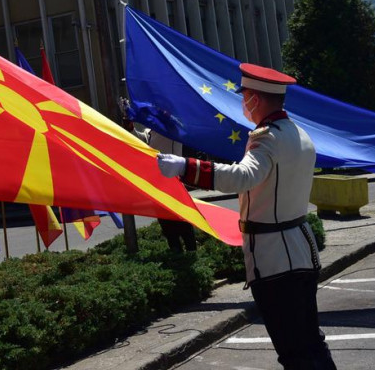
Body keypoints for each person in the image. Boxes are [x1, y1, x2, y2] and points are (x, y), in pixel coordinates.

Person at [157, 64, 335, 369]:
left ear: (257, 98)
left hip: (275, 259)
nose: (243, 103)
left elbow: (244, 176)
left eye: (246, 96)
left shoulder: (266, 137)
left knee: (294, 350)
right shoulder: (298, 133)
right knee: (309, 342)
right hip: (299, 251)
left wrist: (186, 167)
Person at [120, 97, 197, 253]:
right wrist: (129, 123)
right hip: (158, 182)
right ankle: (177, 254)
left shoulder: (171, 126)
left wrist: (139, 113)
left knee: (182, 221)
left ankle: (191, 254)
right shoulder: (153, 130)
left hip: (173, 180)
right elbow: (143, 141)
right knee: (167, 224)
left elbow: (167, 127)